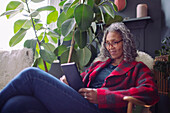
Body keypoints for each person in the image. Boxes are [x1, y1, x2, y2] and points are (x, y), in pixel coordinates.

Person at [0, 22, 159, 113]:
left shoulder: (138, 68)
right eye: (108, 43)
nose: (111, 47)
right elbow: (81, 80)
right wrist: (68, 81)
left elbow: (149, 93)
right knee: (16, 103)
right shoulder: (99, 64)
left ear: (126, 42)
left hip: (100, 109)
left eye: (115, 42)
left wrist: (102, 96)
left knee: (31, 75)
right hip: (80, 103)